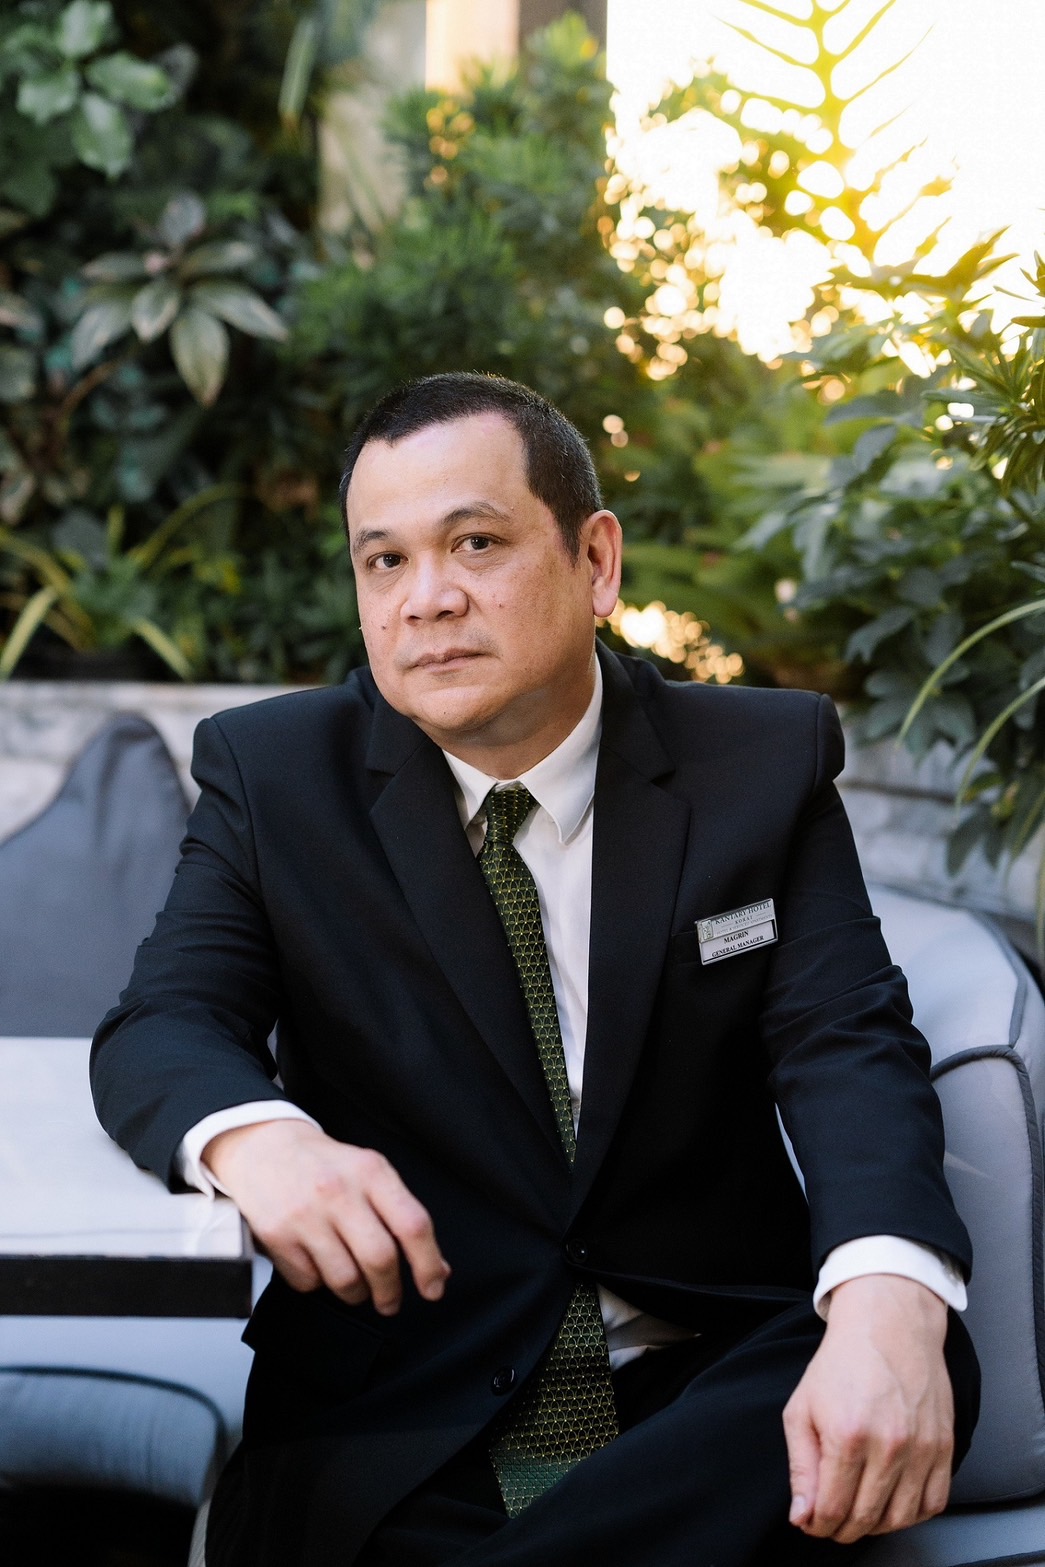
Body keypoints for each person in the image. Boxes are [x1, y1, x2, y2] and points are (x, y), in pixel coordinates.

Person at [91, 373, 979, 1567]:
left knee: (909, 1347)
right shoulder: (275, 777)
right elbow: (162, 1021)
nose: (427, 598)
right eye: (384, 561)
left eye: (474, 543)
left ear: (595, 561)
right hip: (409, 1400)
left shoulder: (758, 765)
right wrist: (263, 1140)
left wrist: (886, 1299)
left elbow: (848, 1043)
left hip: (705, 1385)